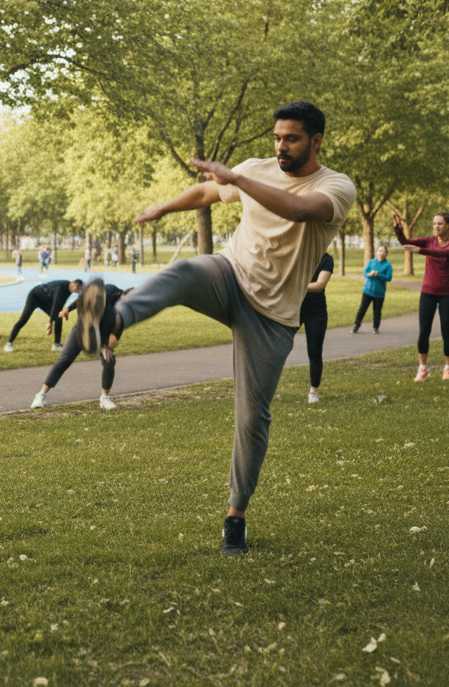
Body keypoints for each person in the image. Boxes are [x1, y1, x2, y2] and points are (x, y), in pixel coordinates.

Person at [76, 101, 355, 556]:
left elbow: (299, 209)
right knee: (186, 272)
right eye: (277, 138)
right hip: (230, 275)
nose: (281, 147)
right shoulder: (257, 168)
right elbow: (207, 193)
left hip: (274, 316)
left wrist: (238, 178)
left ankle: (236, 516)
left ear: (316, 140)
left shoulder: (336, 186)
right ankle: (114, 318)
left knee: (252, 419)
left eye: (292, 139)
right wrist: (162, 209)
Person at [31, 283, 127, 410]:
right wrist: (67, 309)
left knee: (109, 360)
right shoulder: (109, 291)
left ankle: (104, 398)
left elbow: (114, 342)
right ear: (122, 295)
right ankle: (41, 395)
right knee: (63, 361)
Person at [394, 211, 449, 381]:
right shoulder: (430, 241)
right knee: (423, 331)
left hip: (447, 293)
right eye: (434, 224)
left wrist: (420, 251)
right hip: (427, 292)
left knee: (446, 331)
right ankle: (423, 368)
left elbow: (442, 253)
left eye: (439, 224)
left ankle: (448, 368)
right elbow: (405, 242)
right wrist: (398, 229)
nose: (436, 227)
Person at [4, 279, 81, 352]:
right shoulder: (60, 288)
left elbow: (61, 304)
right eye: (77, 289)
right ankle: (8, 344)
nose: (78, 291)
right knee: (23, 319)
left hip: (45, 301)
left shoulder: (69, 289)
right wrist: (50, 322)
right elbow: (55, 304)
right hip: (35, 296)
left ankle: (56, 345)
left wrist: (65, 311)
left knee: (58, 318)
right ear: (73, 284)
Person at [299, 253, 334, 403]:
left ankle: (313, 390)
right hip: (294, 308)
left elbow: (320, 285)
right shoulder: (297, 254)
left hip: (316, 310)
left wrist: (294, 287)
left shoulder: (326, 259)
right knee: (279, 346)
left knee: (314, 351)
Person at [353, 245, 393, 334]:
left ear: (386, 253)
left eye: (383, 251)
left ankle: (375, 327)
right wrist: (369, 274)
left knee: (377, 311)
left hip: (379, 292)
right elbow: (365, 272)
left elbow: (389, 277)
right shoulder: (371, 262)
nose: (381, 253)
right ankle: (356, 325)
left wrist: (378, 274)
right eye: (379, 251)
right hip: (367, 290)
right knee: (362, 308)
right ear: (377, 252)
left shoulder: (387, 265)